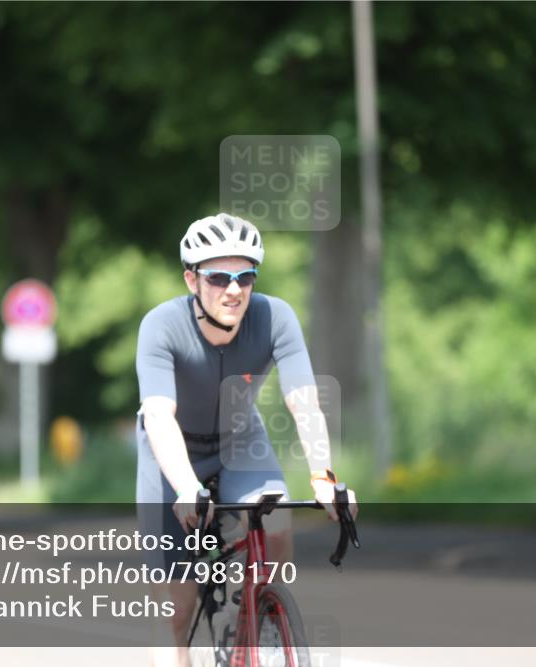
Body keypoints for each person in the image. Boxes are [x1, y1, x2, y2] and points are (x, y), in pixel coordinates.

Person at [134, 212, 358, 667]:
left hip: (239, 440)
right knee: (175, 610)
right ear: (192, 280)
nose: (233, 290)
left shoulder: (276, 317)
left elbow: (304, 403)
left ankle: (263, 619)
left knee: (277, 526)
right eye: (218, 277)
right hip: (172, 449)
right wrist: (186, 487)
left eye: (245, 276)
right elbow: (158, 415)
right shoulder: (161, 325)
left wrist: (324, 476)